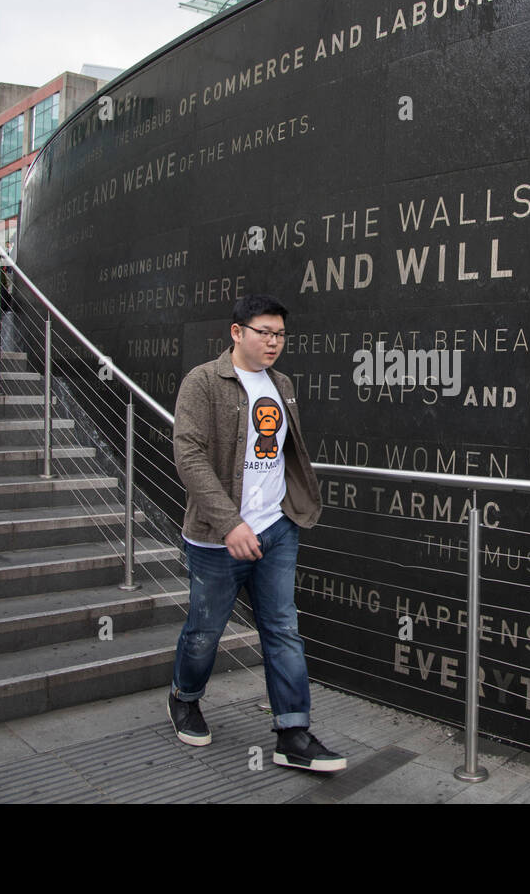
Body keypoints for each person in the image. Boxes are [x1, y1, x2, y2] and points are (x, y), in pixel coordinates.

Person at [169, 294, 345, 772]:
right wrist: (230, 523)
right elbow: (188, 455)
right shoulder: (203, 382)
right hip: (216, 537)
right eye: (263, 332)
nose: (273, 342)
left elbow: (284, 453)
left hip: (277, 529)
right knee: (205, 630)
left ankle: (293, 733)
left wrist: (290, 510)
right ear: (236, 332)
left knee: (283, 628)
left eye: (280, 334)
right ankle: (184, 696)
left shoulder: (281, 384)